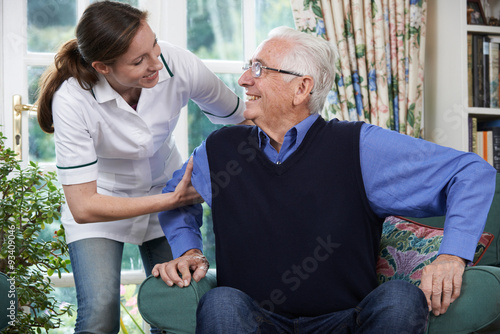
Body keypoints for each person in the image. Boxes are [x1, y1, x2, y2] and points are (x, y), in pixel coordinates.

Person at [152, 26, 497, 333]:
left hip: (348, 320)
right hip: (256, 320)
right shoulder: (220, 149)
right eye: (247, 67)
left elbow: (471, 172)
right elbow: (175, 194)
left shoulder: (361, 146)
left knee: (402, 298)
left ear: (301, 88)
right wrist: (188, 249)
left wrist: (452, 255)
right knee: (221, 302)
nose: (243, 80)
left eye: (258, 69)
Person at [35, 1, 246, 333]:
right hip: (102, 201)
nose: (156, 63)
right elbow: (84, 206)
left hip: (165, 186)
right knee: (99, 313)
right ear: (103, 67)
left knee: (176, 308)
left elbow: (241, 120)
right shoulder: (72, 99)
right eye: (139, 61)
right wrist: (173, 199)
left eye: (154, 46)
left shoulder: (176, 63)